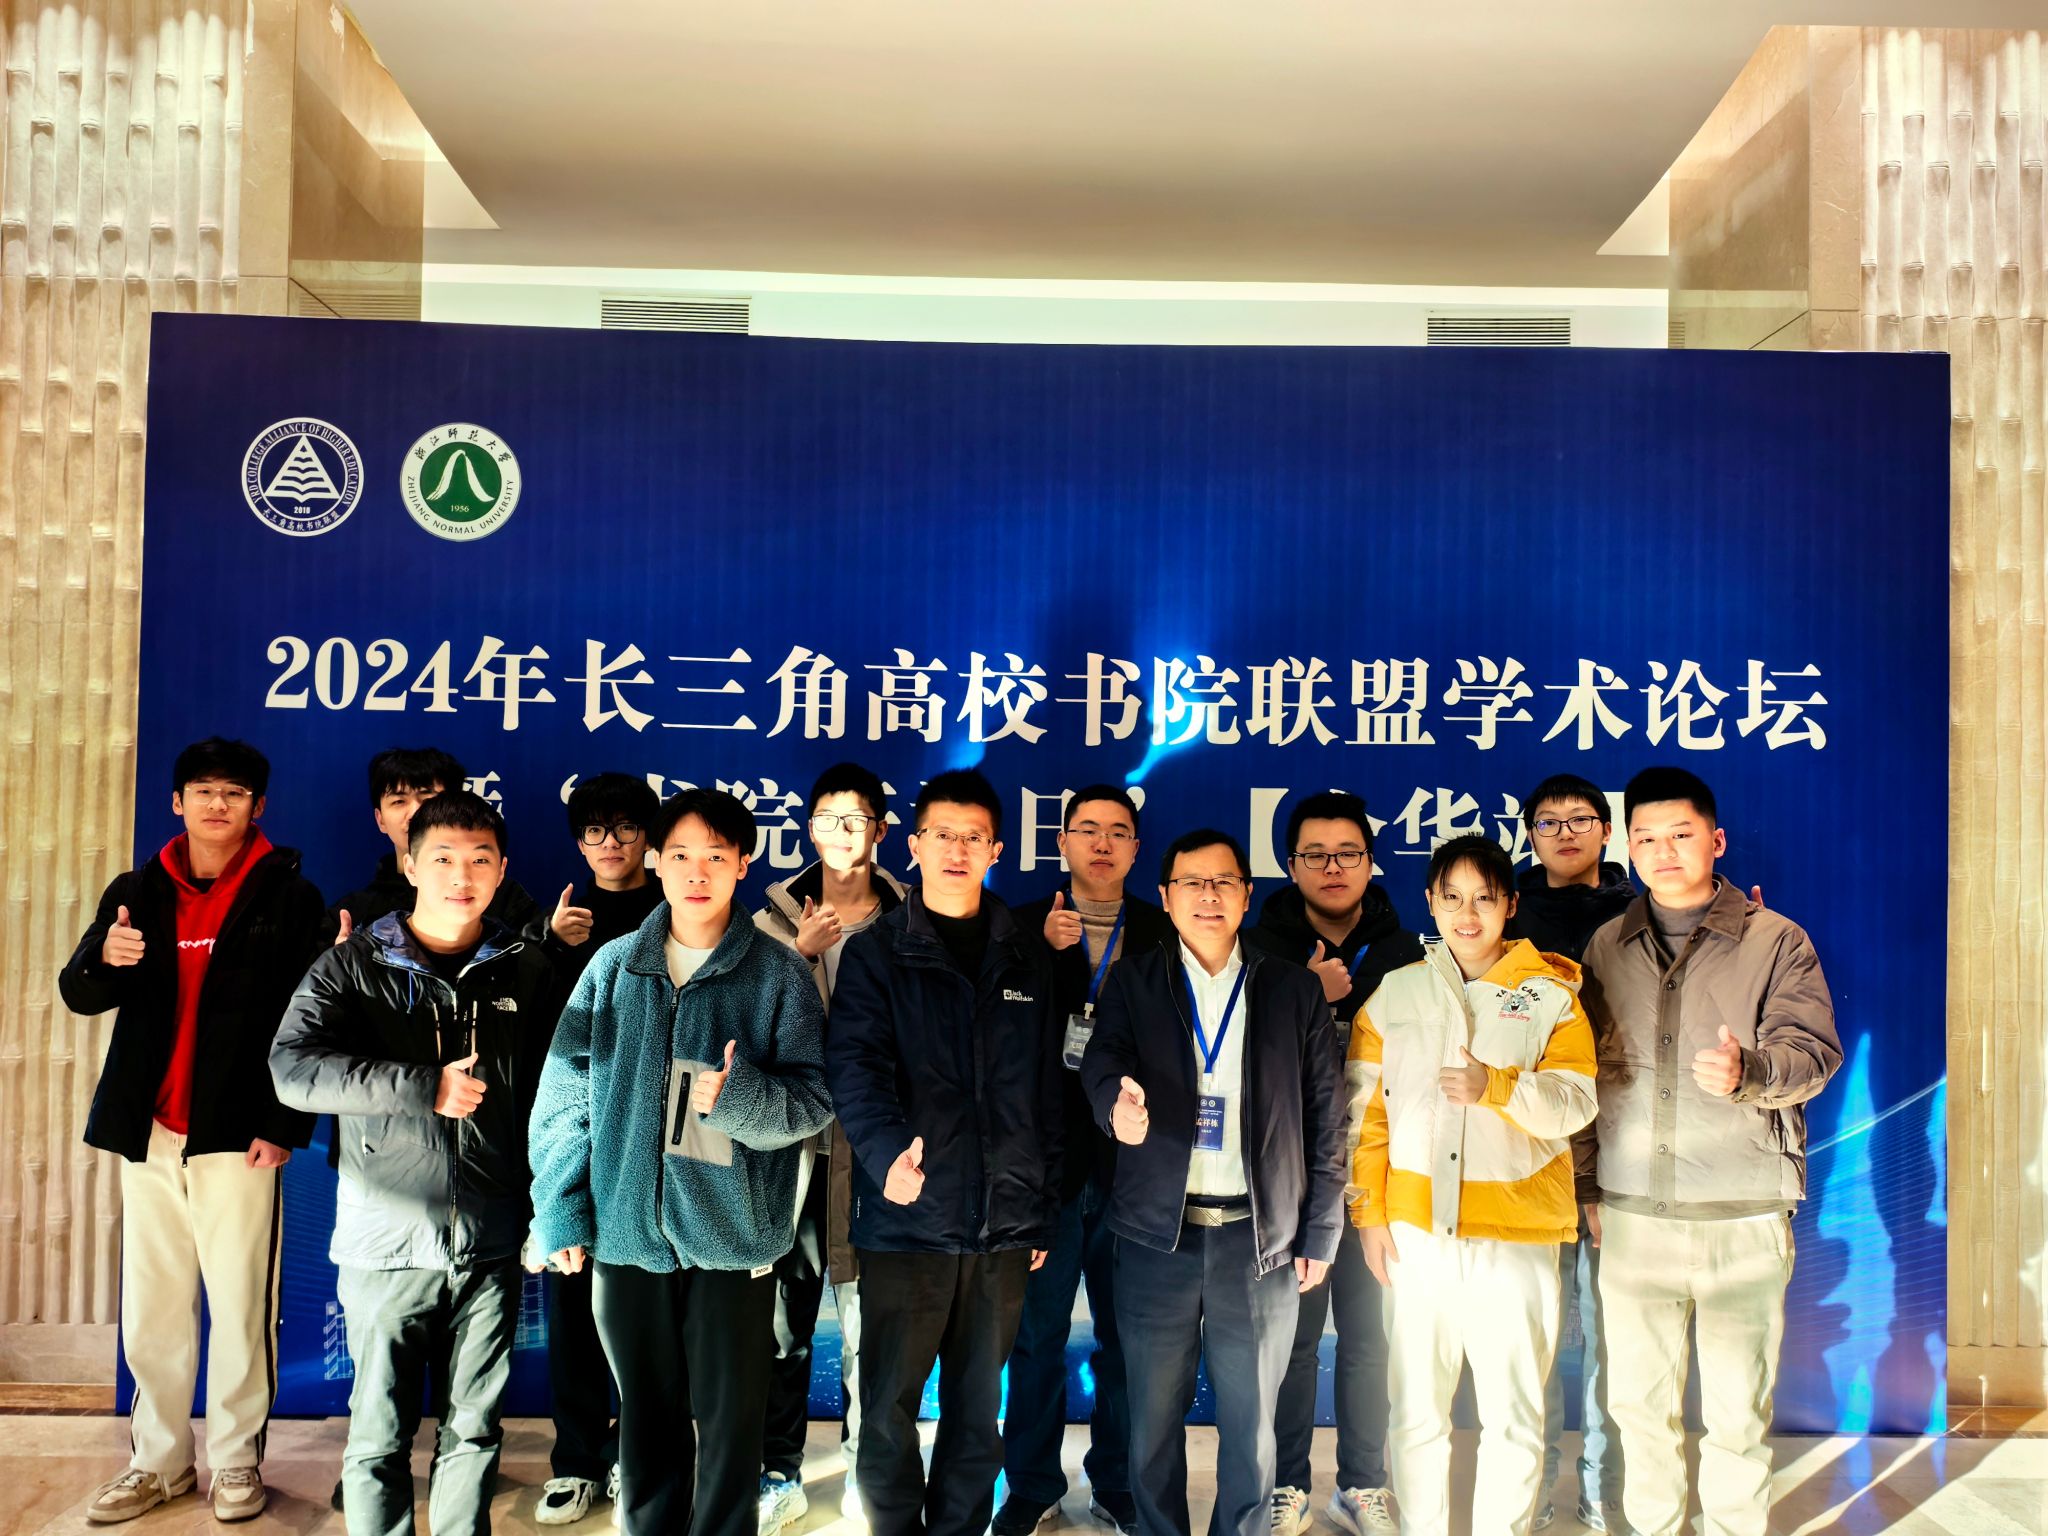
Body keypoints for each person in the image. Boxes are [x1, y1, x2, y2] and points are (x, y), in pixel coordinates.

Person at [530, 788, 832, 1536]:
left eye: (717, 857)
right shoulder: (612, 967)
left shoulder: (778, 973)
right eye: (682, 855)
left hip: (734, 1240)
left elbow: (815, 1098)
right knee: (645, 1416)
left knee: (731, 1424)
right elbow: (565, 1098)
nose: (698, 873)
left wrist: (740, 1099)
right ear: (657, 862)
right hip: (626, 1233)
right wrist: (562, 1209)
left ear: (743, 865)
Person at [270, 790, 562, 1536]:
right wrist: (420, 1087)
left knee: (476, 1431)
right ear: (409, 865)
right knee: (377, 1438)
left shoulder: (527, 969)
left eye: (479, 860)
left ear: (502, 870)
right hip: (385, 1241)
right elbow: (291, 1070)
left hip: (490, 1241)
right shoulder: (353, 965)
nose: (461, 876)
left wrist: (553, 1213)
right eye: (443, 859)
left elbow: (562, 1100)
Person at [61, 737, 323, 1524]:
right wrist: (103, 957)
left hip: (239, 1136)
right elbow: (80, 993)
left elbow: (307, 1020)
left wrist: (283, 1123)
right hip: (148, 1130)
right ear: (176, 802)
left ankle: (237, 1460)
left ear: (258, 807)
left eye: (234, 793)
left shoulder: (289, 897)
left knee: (240, 1304)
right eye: (203, 791)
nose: (217, 804)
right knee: (154, 1306)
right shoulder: (135, 891)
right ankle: (159, 1462)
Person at [1580, 768, 1839, 1536]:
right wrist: (1590, 1187)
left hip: (1741, 1212)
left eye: (1681, 835)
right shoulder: (1607, 945)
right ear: (1628, 849)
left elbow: (1813, 1053)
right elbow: (1585, 1074)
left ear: (1716, 840)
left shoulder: (1776, 940)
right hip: (1634, 1213)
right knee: (1639, 1408)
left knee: (1736, 1414)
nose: (1663, 852)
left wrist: (1748, 1072)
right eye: (1647, 839)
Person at [1081, 828, 1345, 1536]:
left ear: (1246, 895)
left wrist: (1321, 1230)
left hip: (1258, 1241)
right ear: (1165, 898)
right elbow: (1101, 1062)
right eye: (1191, 883)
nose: (1207, 896)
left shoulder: (1291, 988)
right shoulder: (1134, 981)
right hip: (1154, 1239)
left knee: (1252, 1425)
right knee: (1151, 1423)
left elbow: (1327, 1114)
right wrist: (1113, 1104)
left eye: (1223, 882)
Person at [825, 768, 1062, 1536]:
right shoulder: (877, 953)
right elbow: (854, 1069)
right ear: (915, 844)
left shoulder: (1027, 957)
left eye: (973, 838)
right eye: (943, 835)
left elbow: (1047, 1094)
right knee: (888, 1408)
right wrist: (886, 1154)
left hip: (1003, 1226)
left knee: (976, 1413)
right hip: (907, 1221)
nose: (957, 851)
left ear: (996, 851)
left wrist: (1038, 1208)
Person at [1347, 834, 1597, 1536]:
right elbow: (1363, 1117)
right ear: (1430, 901)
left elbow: (1577, 1102)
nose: (1467, 914)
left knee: (1513, 1415)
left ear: (1510, 905)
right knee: (1415, 1411)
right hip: (1415, 1236)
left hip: (1516, 1238)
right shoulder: (1395, 994)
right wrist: (1369, 1215)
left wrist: (1497, 1087)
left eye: (1484, 898)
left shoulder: (1552, 996)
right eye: (1452, 897)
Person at [994, 785, 1171, 1536]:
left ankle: (1118, 1483)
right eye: (1087, 830)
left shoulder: (1164, 929)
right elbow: (995, 1032)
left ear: (1136, 850)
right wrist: (1039, 953)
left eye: (1118, 832)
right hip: (1044, 1166)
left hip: (1137, 1165)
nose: (1102, 844)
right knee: (1035, 1338)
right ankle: (1031, 1485)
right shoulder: (1016, 925)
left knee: (1127, 1339)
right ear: (1061, 842)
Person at [1248, 790, 1418, 1536]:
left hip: (1379, 1176)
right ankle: (1287, 1485)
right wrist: (1309, 998)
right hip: (1288, 1179)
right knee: (1291, 1341)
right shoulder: (1259, 950)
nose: (1332, 867)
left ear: (1371, 862)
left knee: (1370, 1337)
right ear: (1291, 866)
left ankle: (1363, 1484)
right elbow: (1236, 1059)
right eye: (1314, 854)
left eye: (1348, 852)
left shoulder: (1406, 952)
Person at [752, 762, 908, 1533]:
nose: (842, 833)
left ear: (880, 830)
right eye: (827, 819)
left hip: (879, 1158)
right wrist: (801, 956)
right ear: (808, 828)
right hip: (794, 1157)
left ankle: (864, 1471)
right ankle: (777, 1471)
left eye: (856, 820)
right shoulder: (771, 921)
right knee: (782, 1328)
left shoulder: (913, 921)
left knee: (871, 1331)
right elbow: (746, 1029)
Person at [534, 772, 665, 1526]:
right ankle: (576, 1461)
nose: (610, 843)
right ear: (579, 843)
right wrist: (553, 949)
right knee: (573, 1298)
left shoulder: (679, 907)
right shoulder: (561, 920)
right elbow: (539, 1036)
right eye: (594, 831)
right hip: (580, 1134)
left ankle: (632, 1455)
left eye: (624, 828)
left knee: (646, 1313)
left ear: (648, 837)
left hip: (659, 1140)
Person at [1508, 773, 1635, 1534]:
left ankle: (1602, 1491)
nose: (1564, 833)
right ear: (1529, 835)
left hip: (1618, 1155)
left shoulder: (1638, 916)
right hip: (1523, 1154)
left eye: (1579, 819)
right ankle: (1529, 1492)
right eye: (1548, 822)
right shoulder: (1505, 919)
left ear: (1606, 831)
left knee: (1612, 1335)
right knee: (1533, 1338)